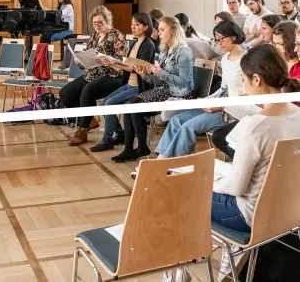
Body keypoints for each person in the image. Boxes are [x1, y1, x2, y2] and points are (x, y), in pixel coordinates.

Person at [211, 44, 300, 235]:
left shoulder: (256, 126)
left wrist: (211, 182)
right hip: (291, 209)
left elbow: (236, 188)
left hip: (252, 215)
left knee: (183, 189)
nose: (243, 86)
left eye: (243, 79)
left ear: (257, 79)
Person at [155, 21, 246, 159]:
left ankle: (166, 164)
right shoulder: (226, 58)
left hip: (232, 110)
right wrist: (207, 99)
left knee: (188, 126)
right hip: (220, 102)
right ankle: (161, 159)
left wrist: (220, 105)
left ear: (233, 37)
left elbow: (247, 96)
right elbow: (223, 88)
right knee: (176, 120)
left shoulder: (246, 60)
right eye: (217, 39)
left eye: (222, 38)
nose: (219, 43)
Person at [111, 16, 195, 163]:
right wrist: (145, 75)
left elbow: (185, 84)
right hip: (166, 90)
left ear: (174, 31)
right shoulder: (165, 51)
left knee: (132, 106)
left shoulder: (184, 53)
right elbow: (159, 80)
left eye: (162, 30)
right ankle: (132, 149)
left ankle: (139, 147)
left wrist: (160, 72)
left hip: (180, 95)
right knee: (129, 105)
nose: (159, 33)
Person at [60, 6, 128, 146]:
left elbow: (122, 60)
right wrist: (80, 61)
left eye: (100, 22)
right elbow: (88, 60)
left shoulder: (116, 36)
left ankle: (82, 129)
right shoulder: (94, 36)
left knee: (88, 91)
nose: (96, 25)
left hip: (113, 75)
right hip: (93, 73)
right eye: (94, 23)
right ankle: (90, 120)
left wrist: (105, 59)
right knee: (65, 93)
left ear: (107, 20)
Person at [90, 13, 156, 152]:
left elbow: (136, 68)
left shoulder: (148, 45)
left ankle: (107, 139)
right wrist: (111, 62)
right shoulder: (134, 42)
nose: (133, 27)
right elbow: (127, 62)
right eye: (132, 24)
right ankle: (120, 133)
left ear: (145, 27)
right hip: (130, 83)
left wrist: (113, 63)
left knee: (108, 104)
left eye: (137, 25)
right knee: (103, 104)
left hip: (139, 86)